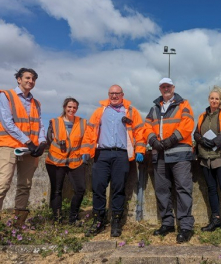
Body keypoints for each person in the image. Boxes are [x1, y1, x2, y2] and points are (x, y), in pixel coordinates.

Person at [81, 85, 145, 237]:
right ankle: (98, 221)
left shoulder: (131, 111)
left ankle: (116, 222)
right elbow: (90, 132)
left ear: (122, 95)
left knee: (118, 189)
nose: (114, 96)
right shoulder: (100, 111)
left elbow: (140, 132)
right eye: (112, 93)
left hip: (121, 155)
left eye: (117, 93)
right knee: (98, 188)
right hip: (101, 154)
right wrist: (85, 152)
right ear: (108, 94)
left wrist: (140, 150)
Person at [144, 78, 195, 243]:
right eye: (163, 87)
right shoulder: (154, 108)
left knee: (183, 189)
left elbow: (188, 125)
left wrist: (171, 140)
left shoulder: (183, 105)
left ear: (173, 87)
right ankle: (167, 223)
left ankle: (185, 226)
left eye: (168, 86)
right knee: (162, 190)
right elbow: (146, 127)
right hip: (159, 155)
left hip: (179, 154)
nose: (166, 89)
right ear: (160, 89)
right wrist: (153, 141)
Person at [0, 68, 47, 228]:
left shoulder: (36, 103)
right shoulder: (6, 96)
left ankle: (17, 225)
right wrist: (28, 141)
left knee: (25, 185)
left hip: (30, 149)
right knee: (3, 183)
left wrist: (41, 142)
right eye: (27, 78)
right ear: (19, 79)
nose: (30, 81)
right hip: (9, 145)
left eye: (33, 79)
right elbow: (7, 123)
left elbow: (40, 124)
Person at [194, 86, 221, 239]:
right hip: (205, 157)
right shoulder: (202, 116)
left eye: (217, 98)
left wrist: (215, 141)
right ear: (209, 99)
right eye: (212, 98)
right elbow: (196, 133)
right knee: (211, 189)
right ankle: (216, 219)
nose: (214, 101)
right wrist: (202, 140)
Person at [45, 97, 87, 225]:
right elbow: (48, 140)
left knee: (80, 189)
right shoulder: (54, 122)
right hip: (55, 161)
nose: (71, 109)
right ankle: (57, 220)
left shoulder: (82, 122)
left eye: (74, 107)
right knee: (57, 190)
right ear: (64, 107)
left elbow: (86, 139)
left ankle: (72, 218)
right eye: (69, 107)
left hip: (75, 161)